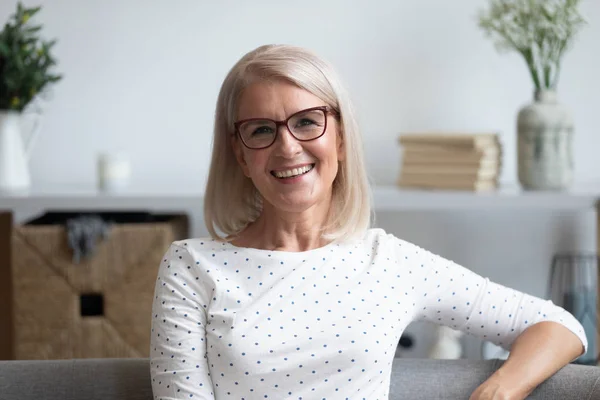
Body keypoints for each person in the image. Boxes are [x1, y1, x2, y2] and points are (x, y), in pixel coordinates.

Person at [149, 44, 588, 400]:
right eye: (262, 130)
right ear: (241, 154)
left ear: (340, 138)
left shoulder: (388, 261)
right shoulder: (191, 267)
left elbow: (560, 327)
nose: (287, 147)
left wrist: (498, 391)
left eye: (307, 122)